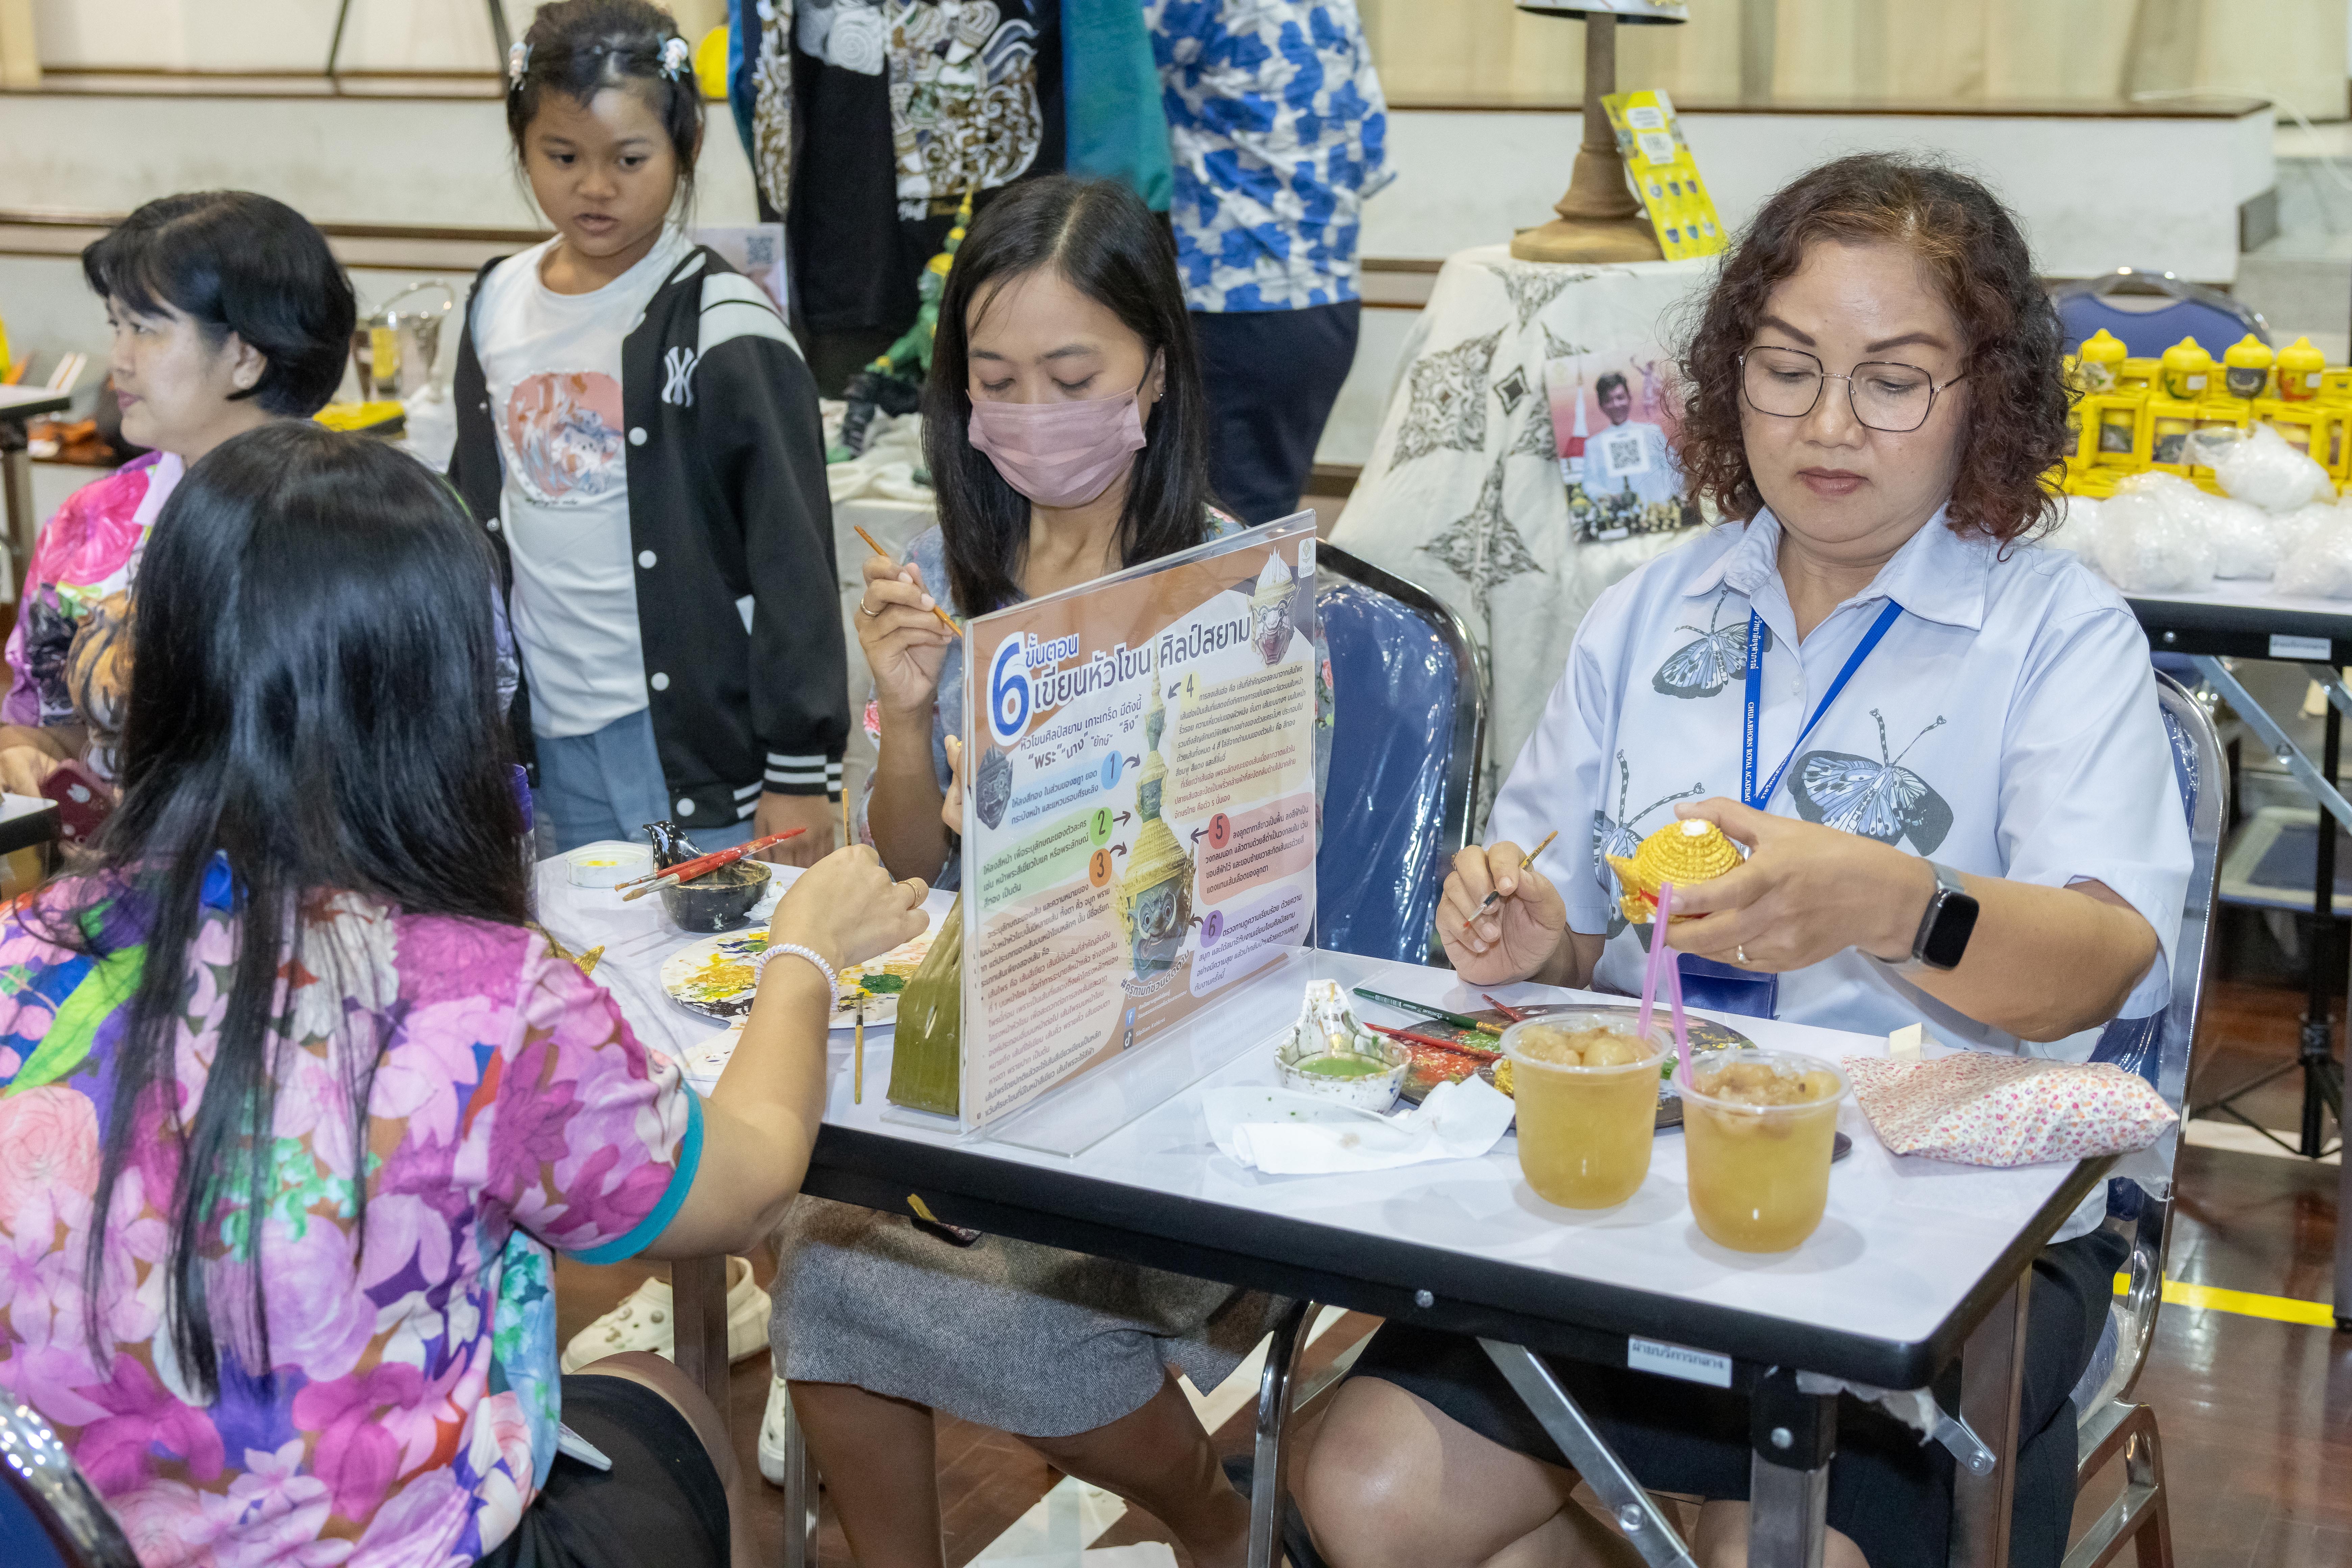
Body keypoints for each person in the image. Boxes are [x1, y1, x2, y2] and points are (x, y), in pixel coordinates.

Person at [1296, 155, 2192, 1568]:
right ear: (1730, 377)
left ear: (1988, 395)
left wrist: (1896, 903)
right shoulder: (1647, 611)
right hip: (1640, 1185)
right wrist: (1534, 936)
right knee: (1365, 1488)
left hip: (1948, 1222)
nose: (1829, 423)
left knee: (1775, 1552)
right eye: (1787, 370)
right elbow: (1574, 925)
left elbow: (2104, 959)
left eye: (1894, 381)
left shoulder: (2055, 634)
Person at [0, 421, 928, 1568]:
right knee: (668, 1404)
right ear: (446, 687)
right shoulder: (483, 1002)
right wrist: (805, 952)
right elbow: (741, 1191)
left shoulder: (23, 952)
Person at [776, 175, 1277, 1568]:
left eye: (1072, 377)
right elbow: (905, 869)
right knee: (823, 1262)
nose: (1034, 414)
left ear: (1154, 371)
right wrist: (907, 713)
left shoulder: (1228, 588)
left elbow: (1253, 890)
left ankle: (1210, 1517)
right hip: (984, 1068)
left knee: (1015, 1318)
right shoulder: (948, 569)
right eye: (996, 382)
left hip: (1166, 1084)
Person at [449, 0, 843, 862]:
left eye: (629, 159)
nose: (595, 187)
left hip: (689, 751)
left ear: (685, 147)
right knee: (583, 930)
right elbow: (471, 510)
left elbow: (794, 557)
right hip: (550, 735)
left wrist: (800, 764)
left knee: (701, 926)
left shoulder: (725, 324)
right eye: (563, 157)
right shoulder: (495, 302)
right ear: (522, 146)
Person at [0, 190, 354, 795]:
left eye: (145, 329)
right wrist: (29, 757)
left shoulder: (372, 521)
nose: (119, 360)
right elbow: (42, 727)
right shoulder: (91, 523)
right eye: (116, 325)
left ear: (246, 355)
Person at [1147, 0, 1392, 524]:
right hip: (1327, 307)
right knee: (1253, 524)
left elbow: (1106, 80)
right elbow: (1372, 160)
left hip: (1230, 306)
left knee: (1209, 538)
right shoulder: (1335, 7)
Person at [1588, 368, 1683, 510]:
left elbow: (1675, 468)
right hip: (1621, 518)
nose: (1616, 405)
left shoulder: (1652, 433)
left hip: (1660, 513)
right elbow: (1590, 484)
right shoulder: (1594, 445)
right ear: (1601, 406)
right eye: (1608, 400)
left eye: (1620, 398)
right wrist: (1609, 498)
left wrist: (1668, 500)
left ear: (1629, 398)